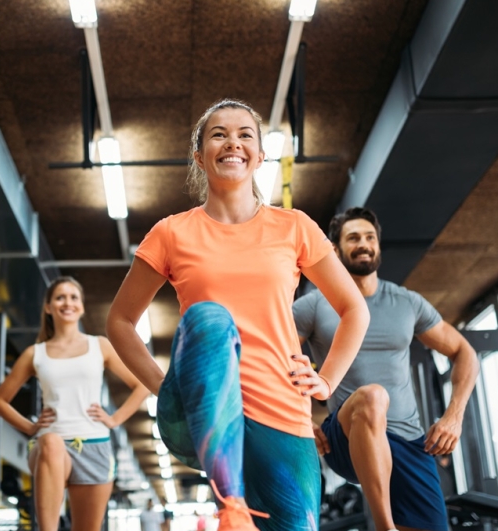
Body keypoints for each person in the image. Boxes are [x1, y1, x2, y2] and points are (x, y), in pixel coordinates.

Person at [106, 99, 370, 531]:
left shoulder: (294, 227)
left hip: (282, 407)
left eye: (245, 134)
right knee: (210, 318)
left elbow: (353, 308)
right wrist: (166, 387)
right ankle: (232, 507)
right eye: (219, 134)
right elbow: (119, 321)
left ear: (261, 155)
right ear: (199, 156)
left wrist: (326, 381)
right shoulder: (172, 232)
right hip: (206, 412)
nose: (233, 142)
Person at [293, 207, 479, 531]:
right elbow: (273, 356)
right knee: (372, 397)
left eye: (370, 237)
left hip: (408, 440)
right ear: (335, 250)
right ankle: (384, 528)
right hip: (345, 437)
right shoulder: (314, 305)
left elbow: (464, 352)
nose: (364, 244)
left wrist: (453, 417)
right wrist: (300, 418)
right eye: (353, 238)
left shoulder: (407, 302)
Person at [0, 276, 150, 531]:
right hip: (50, 446)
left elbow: (142, 385)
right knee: (52, 442)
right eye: (60, 297)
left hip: (95, 445)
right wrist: (30, 427)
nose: (68, 302)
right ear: (48, 307)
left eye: (74, 297)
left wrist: (114, 419)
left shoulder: (99, 345)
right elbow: (0, 401)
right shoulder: (36, 353)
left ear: (82, 306)